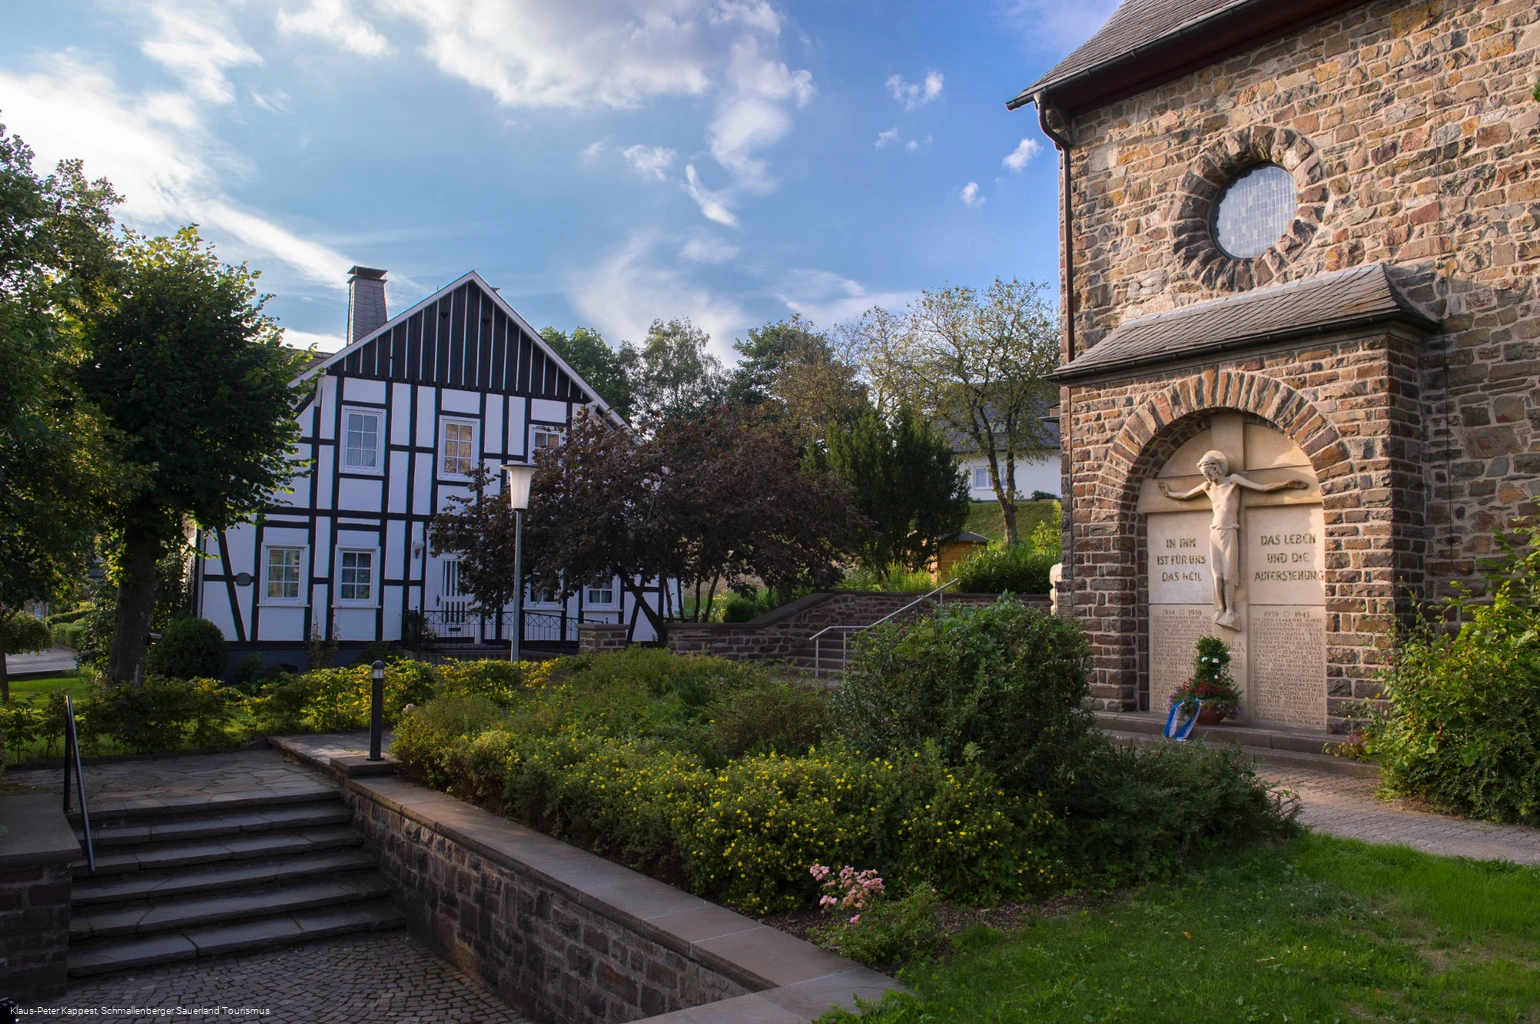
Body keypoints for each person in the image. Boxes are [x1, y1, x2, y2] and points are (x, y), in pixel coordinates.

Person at [1158, 450, 1307, 628]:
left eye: (1208, 472)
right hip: (1214, 531)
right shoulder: (1207, 487)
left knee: (1229, 574)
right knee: (1216, 575)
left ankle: (1230, 610)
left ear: (1216, 468)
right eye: (1204, 474)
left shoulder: (1233, 481)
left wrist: (1285, 484)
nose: (1207, 476)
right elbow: (1185, 495)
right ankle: (1221, 606)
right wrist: (1169, 494)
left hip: (1229, 531)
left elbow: (1262, 488)